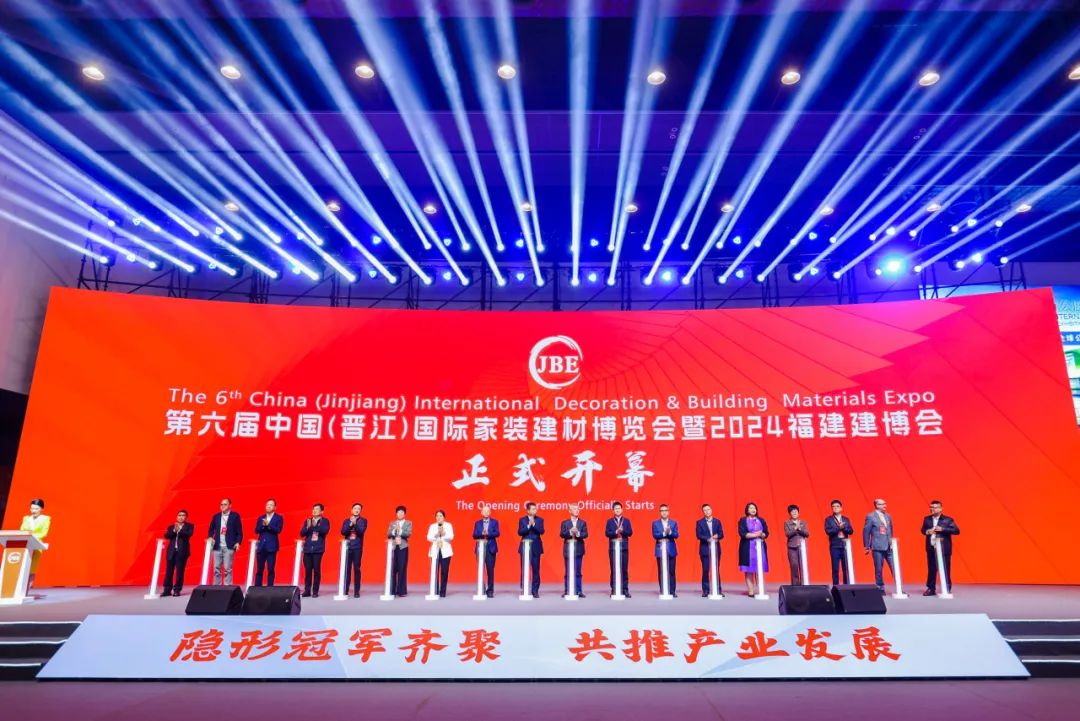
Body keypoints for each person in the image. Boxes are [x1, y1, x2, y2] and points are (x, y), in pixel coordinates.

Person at [921, 500, 960, 596]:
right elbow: (923, 530)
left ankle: (946, 588)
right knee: (931, 569)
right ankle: (931, 588)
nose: (932, 509)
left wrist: (942, 529)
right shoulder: (927, 519)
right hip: (931, 547)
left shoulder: (948, 519)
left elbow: (956, 531)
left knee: (945, 568)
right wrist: (927, 531)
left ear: (940, 509)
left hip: (944, 548)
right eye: (931, 507)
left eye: (934, 507)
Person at [863, 498, 896, 592]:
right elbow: (866, 531)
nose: (885, 506)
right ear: (877, 505)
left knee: (895, 567)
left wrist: (891, 541)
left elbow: (890, 529)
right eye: (882, 504)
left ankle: (899, 588)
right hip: (877, 546)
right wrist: (866, 546)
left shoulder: (888, 516)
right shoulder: (870, 516)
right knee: (878, 568)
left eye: (885, 504)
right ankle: (880, 587)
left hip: (889, 546)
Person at [208, 498, 242, 585]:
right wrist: (210, 537)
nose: (222, 506)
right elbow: (211, 530)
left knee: (228, 569)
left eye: (225, 504)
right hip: (217, 546)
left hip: (229, 546)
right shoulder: (216, 516)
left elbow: (239, 532)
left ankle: (228, 587)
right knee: (216, 568)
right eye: (221, 504)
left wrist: (238, 542)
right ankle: (217, 587)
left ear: (230, 505)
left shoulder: (235, 516)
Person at [738, 502, 769, 596]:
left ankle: (760, 590)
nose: (753, 509)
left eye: (754, 508)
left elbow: (766, 532)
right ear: (747, 510)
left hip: (760, 547)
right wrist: (756, 534)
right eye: (751, 508)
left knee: (760, 569)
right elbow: (742, 533)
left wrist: (762, 534)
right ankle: (751, 591)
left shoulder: (761, 520)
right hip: (747, 547)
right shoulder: (743, 520)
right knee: (749, 570)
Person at [299, 503, 330, 597]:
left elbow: (324, 531)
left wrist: (315, 525)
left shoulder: (325, 521)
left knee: (316, 570)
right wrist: (308, 527)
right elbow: (302, 533)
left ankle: (315, 591)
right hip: (308, 548)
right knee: (308, 570)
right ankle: (307, 590)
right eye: (313, 509)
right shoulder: (308, 521)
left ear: (322, 511)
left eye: (317, 509)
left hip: (318, 549)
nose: (314, 511)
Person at [19, 498, 50, 590]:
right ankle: (19, 588)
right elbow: (21, 530)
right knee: (22, 567)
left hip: (36, 545)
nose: (33, 511)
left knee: (32, 568)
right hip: (25, 546)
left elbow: (44, 533)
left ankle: (27, 588)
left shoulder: (45, 519)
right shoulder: (26, 518)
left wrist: (32, 537)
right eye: (32, 508)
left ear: (41, 509)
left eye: (36, 508)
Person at [604, 501, 633, 598]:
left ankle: (625, 589)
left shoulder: (627, 521)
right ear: (613, 510)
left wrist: (622, 531)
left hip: (623, 547)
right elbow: (607, 533)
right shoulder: (609, 521)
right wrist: (616, 531)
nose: (617, 510)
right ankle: (614, 589)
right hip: (613, 548)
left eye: (619, 508)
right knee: (613, 569)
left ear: (622, 509)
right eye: (615, 509)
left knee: (624, 569)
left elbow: (630, 533)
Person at [162, 509, 193, 596]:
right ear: (177, 517)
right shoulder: (171, 527)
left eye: (183, 515)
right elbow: (167, 536)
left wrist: (179, 529)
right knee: (169, 572)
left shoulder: (189, 526)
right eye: (179, 515)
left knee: (180, 572)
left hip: (182, 552)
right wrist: (174, 530)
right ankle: (167, 590)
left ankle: (177, 590)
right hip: (171, 552)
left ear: (186, 517)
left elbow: (188, 534)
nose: (181, 517)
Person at [695, 503, 724, 597]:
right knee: (705, 569)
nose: (707, 511)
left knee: (716, 569)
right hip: (705, 549)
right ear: (703, 512)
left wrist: (717, 536)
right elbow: (698, 535)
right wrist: (709, 538)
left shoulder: (717, 521)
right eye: (705, 510)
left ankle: (718, 590)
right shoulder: (699, 522)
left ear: (711, 510)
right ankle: (706, 590)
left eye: (708, 509)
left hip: (716, 548)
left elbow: (721, 534)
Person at [559, 503, 588, 598]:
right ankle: (567, 590)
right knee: (568, 571)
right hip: (568, 550)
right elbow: (562, 534)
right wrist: (570, 532)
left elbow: (585, 534)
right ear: (569, 511)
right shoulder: (565, 523)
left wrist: (578, 533)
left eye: (578, 509)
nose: (577, 510)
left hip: (579, 549)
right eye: (574, 509)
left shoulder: (582, 522)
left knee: (578, 571)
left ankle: (578, 590)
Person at [472, 504, 500, 597]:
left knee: (490, 570)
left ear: (490, 512)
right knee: (480, 569)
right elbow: (474, 535)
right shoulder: (477, 523)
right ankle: (481, 588)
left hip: (491, 548)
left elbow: (497, 533)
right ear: (481, 512)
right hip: (480, 548)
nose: (486, 512)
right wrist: (481, 533)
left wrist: (488, 533)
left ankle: (490, 590)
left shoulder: (495, 522)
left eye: (488, 511)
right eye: (484, 511)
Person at [253, 498, 283, 587]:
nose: (268, 506)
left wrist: (269, 525)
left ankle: (270, 587)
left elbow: (278, 530)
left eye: (271, 505)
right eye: (267, 505)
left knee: (270, 568)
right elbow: (256, 530)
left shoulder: (278, 518)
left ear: (275, 507)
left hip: (272, 547)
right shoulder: (261, 518)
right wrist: (262, 526)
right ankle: (257, 587)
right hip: (261, 546)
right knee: (259, 569)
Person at [517, 502, 545, 597]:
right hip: (525, 547)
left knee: (536, 570)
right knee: (524, 569)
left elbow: (542, 531)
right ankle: (524, 589)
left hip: (536, 547)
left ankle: (535, 590)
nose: (535, 510)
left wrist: (534, 525)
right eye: (533, 509)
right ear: (528, 510)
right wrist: (528, 526)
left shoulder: (540, 520)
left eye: (535, 509)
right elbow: (520, 532)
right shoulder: (522, 520)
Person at [651, 504, 678, 597]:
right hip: (660, 549)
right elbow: (655, 535)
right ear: (660, 512)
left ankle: (672, 591)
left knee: (671, 571)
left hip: (671, 549)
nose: (664, 512)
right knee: (661, 571)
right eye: (662, 510)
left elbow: (676, 535)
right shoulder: (655, 523)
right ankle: (663, 590)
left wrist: (669, 532)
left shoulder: (673, 523)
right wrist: (664, 533)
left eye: (665, 510)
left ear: (668, 512)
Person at [341, 503, 367, 597]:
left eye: (358, 509)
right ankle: (345, 590)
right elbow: (343, 532)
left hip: (357, 548)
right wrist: (350, 524)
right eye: (355, 508)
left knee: (356, 569)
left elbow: (361, 532)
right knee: (347, 569)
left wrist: (355, 524)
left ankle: (356, 591)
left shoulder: (363, 521)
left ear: (360, 511)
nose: (357, 510)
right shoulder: (346, 521)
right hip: (347, 547)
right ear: (352, 510)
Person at [824, 499, 854, 584]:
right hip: (835, 546)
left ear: (841, 508)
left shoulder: (846, 519)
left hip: (845, 546)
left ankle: (846, 586)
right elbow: (828, 531)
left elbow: (851, 531)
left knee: (846, 568)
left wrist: (844, 528)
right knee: (835, 568)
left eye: (837, 506)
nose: (835, 508)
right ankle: (835, 586)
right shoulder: (828, 519)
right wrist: (838, 528)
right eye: (833, 506)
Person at [427, 510, 454, 598]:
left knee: (444, 572)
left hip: (445, 551)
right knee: (435, 571)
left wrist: (443, 534)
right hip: (435, 550)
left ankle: (442, 591)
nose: (438, 517)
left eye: (440, 516)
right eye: (437, 516)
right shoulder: (432, 526)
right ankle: (434, 590)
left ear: (444, 517)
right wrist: (437, 534)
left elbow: (451, 536)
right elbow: (428, 537)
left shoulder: (448, 525)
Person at [388, 506, 412, 597]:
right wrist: (394, 530)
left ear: (404, 514)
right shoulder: (392, 523)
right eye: (398, 512)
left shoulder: (408, 523)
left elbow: (408, 534)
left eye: (402, 512)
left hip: (403, 547)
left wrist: (400, 530)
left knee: (402, 568)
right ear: (396, 514)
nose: (400, 514)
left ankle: (401, 591)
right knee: (393, 568)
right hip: (393, 547)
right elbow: (388, 534)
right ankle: (392, 590)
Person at [784, 504, 810, 585]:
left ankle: (804, 583)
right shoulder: (787, 523)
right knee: (794, 565)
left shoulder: (803, 522)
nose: (794, 513)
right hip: (792, 547)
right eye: (792, 512)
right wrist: (795, 528)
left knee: (803, 565)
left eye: (796, 511)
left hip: (802, 547)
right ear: (790, 513)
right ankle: (795, 585)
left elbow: (807, 534)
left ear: (798, 513)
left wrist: (800, 529)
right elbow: (788, 534)